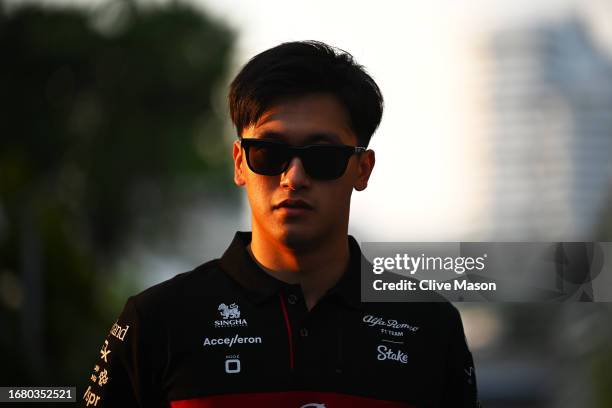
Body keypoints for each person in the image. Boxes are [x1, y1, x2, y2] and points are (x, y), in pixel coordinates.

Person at [80, 40, 481, 408]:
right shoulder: (157, 320)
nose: (293, 177)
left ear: (363, 168)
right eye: (270, 153)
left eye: (322, 156)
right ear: (239, 162)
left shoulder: (429, 324)